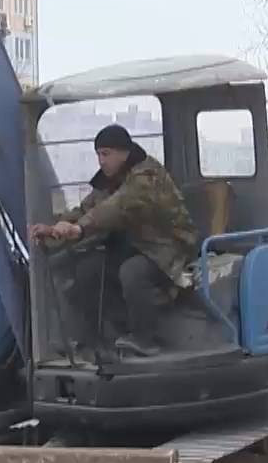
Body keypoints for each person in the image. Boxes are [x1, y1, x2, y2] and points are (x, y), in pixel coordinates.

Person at [31, 124, 196, 358]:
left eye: (106, 154)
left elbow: (117, 207)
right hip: (139, 245)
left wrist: (79, 228)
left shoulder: (146, 176)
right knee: (88, 269)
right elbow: (88, 207)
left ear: (124, 152)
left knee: (133, 272)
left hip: (170, 247)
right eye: (98, 154)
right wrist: (55, 229)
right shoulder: (112, 179)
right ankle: (93, 339)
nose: (101, 161)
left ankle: (145, 339)